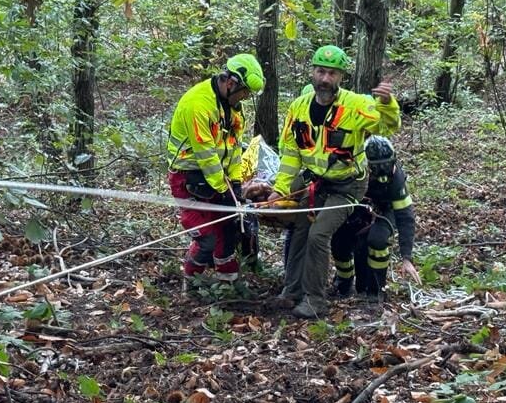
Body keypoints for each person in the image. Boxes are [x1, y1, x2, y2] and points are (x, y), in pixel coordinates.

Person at [265, 45, 400, 318]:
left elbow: (386, 127)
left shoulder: (356, 105)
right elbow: (291, 154)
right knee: (300, 230)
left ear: (341, 77)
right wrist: (279, 190)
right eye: (321, 71)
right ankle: (291, 291)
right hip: (317, 184)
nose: (325, 79)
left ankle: (316, 300)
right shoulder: (298, 108)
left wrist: (387, 104)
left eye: (332, 74)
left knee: (318, 234)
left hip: (348, 186)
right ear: (312, 72)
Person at [166, 53, 265, 285]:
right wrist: (224, 191)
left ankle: (227, 283)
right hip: (187, 177)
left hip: (218, 177)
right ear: (231, 83)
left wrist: (236, 183)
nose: (245, 97)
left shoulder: (233, 107)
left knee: (229, 228)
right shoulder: (198, 105)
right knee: (207, 238)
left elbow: (233, 150)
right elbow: (206, 154)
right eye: (245, 92)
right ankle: (190, 283)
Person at [331, 135, 419, 301]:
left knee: (377, 240)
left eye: (386, 166)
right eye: (376, 168)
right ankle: (344, 282)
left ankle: (376, 290)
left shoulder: (396, 180)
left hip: (385, 210)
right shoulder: (353, 172)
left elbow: (405, 217)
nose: (382, 174)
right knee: (339, 240)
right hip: (357, 208)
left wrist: (406, 257)